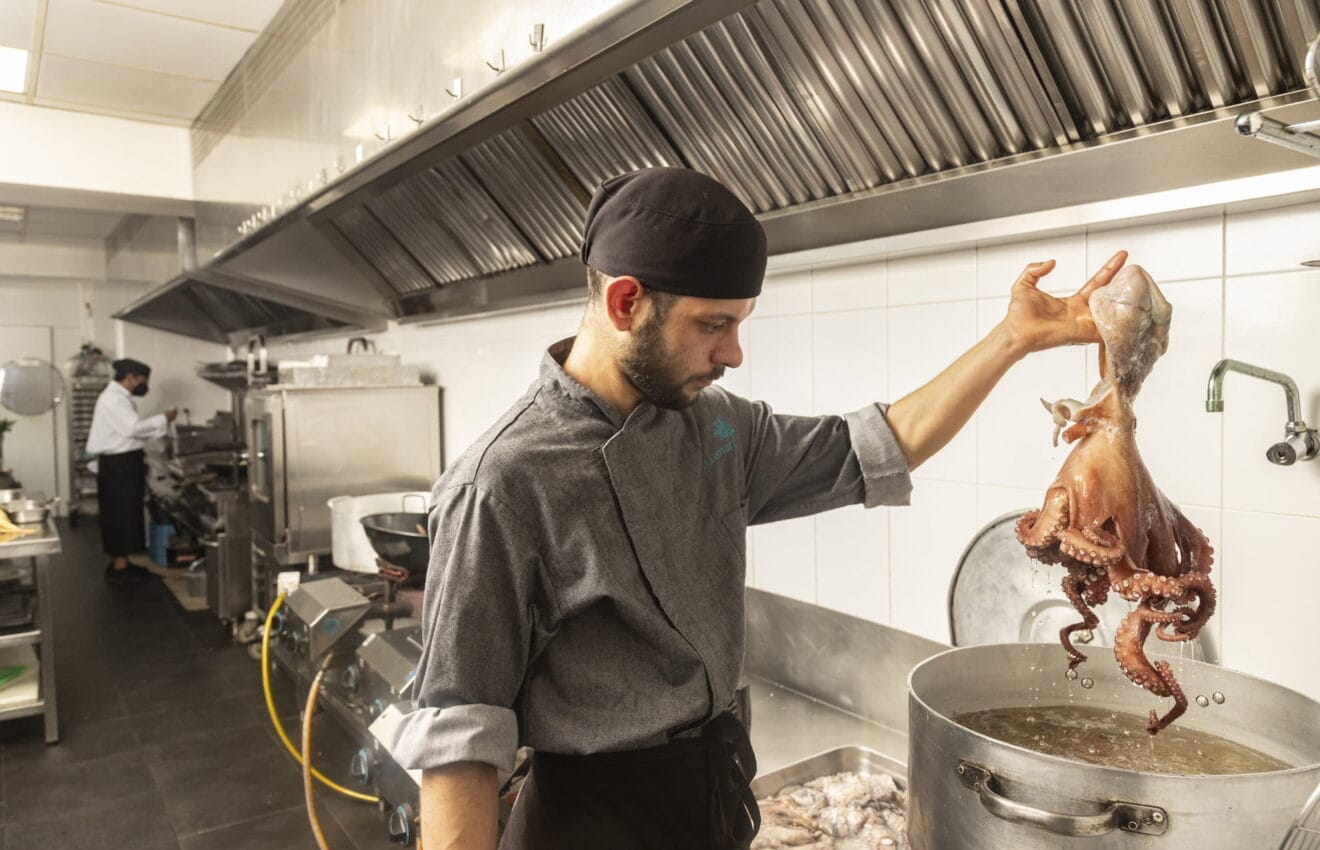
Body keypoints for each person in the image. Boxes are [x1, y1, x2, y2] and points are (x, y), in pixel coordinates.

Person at [390, 167, 1127, 849]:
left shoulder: (714, 426)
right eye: (715, 325)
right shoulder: (504, 480)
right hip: (591, 821)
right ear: (625, 303)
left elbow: (878, 446)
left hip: (710, 800)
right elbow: (462, 736)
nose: (734, 353)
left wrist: (1013, 340)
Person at [85, 358, 176, 584]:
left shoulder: (118, 398)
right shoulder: (113, 399)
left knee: (124, 512)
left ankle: (122, 561)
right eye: (141, 381)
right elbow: (132, 429)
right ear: (130, 378)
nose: (142, 386)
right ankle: (120, 568)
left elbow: (131, 430)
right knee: (121, 514)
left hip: (122, 464)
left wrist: (157, 427)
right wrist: (163, 418)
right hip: (120, 465)